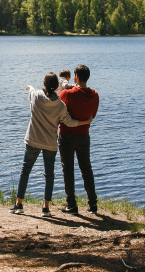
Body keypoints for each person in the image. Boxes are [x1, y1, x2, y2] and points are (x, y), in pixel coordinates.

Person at [10, 72, 91, 215]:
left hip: (33, 140)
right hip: (50, 143)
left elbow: (32, 90)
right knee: (49, 174)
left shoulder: (36, 96)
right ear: (56, 86)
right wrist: (85, 122)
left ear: (45, 84)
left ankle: (19, 204)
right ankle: (46, 208)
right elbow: (70, 122)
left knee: (25, 171)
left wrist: (30, 87)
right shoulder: (60, 105)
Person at [58, 64, 100, 215]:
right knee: (86, 169)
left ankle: (72, 204)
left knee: (68, 169)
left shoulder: (67, 94)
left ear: (76, 77)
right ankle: (93, 204)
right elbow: (91, 117)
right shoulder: (94, 95)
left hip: (66, 136)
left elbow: (57, 111)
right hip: (84, 136)